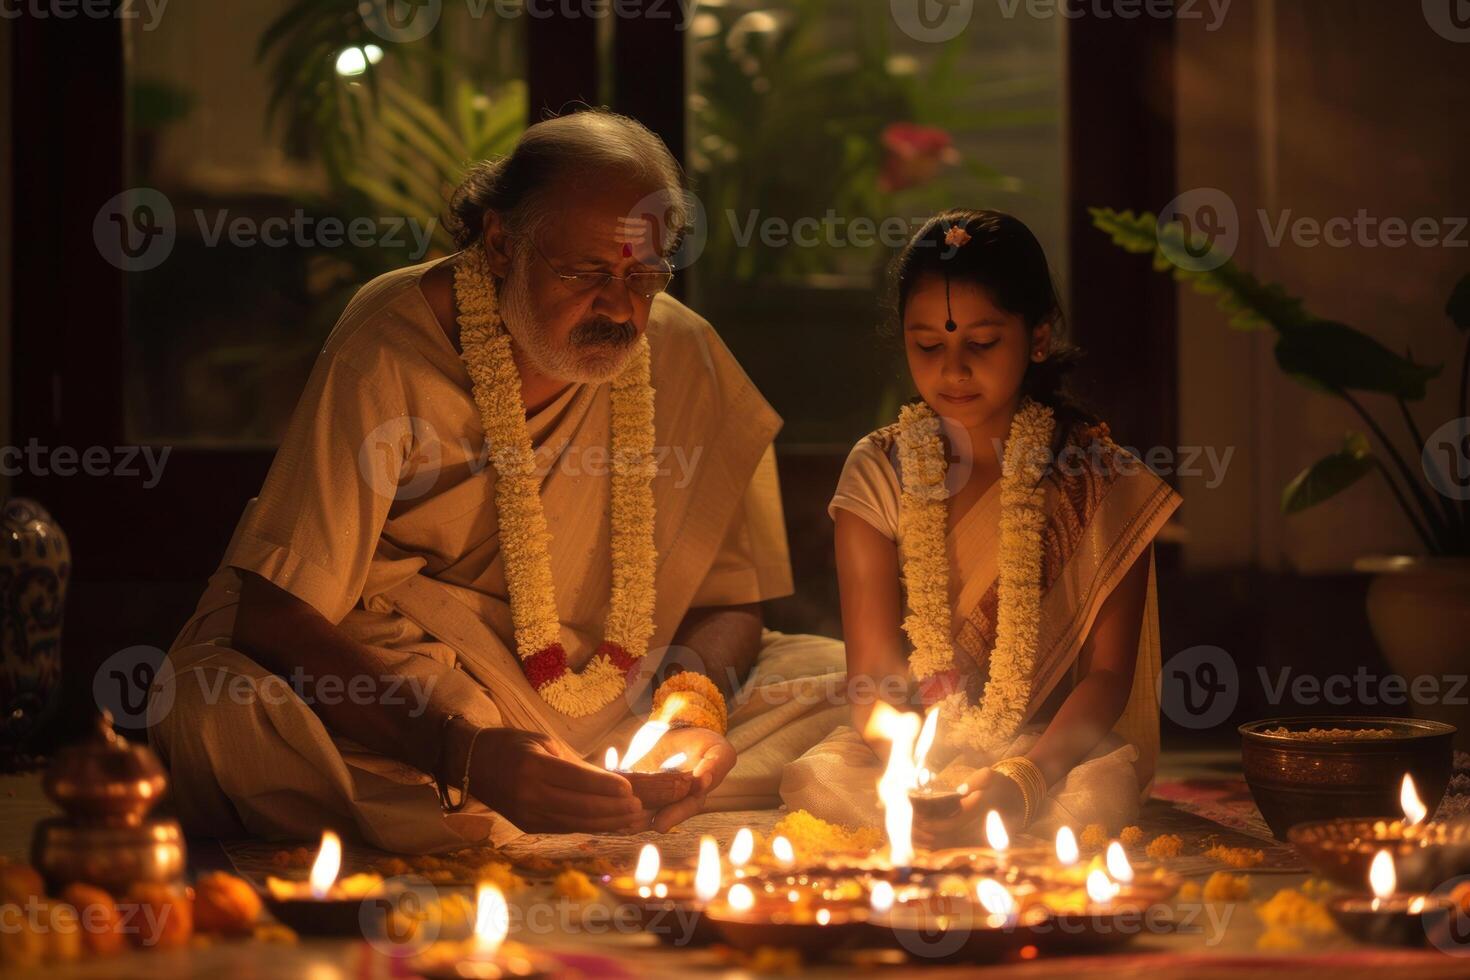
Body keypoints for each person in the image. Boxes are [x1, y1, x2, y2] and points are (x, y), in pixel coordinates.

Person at [148, 110, 846, 854]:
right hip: (431, 689)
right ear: (502, 243)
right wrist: (468, 754)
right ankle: (500, 796)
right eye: (587, 273)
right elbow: (275, 614)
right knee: (219, 714)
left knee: (842, 680)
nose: (619, 306)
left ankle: (549, 799)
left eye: (644, 275)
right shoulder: (392, 342)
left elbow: (730, 602)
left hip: (622, 696)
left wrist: (688, 715)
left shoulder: (683, 353)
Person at [781, 209, 1181, 844]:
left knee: (1090, 803)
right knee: (822, 782)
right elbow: (874, 680)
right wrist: (909, 775)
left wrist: (1024, 778)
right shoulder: (879, 469)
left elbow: (1108, 678)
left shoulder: (1099, 477)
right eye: (928, 346)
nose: (953, 370)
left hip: (1049, 749)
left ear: (1039, 337)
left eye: (983, 343)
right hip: (911, 746)